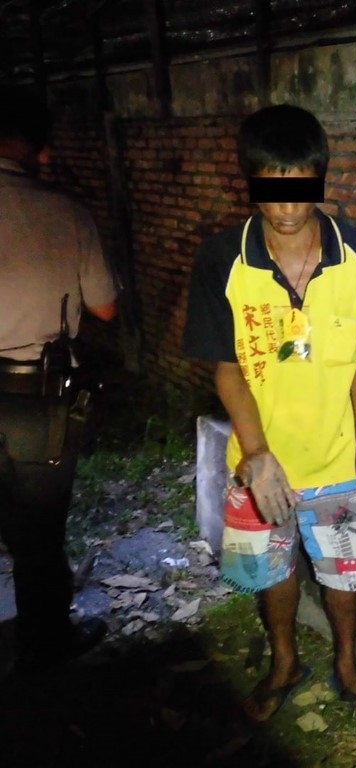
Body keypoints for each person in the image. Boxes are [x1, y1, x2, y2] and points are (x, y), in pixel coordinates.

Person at [183, 104, 356, 725]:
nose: (286, 206)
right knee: (272, 575)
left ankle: (347, 665)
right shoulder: (220, 258)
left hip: (338, 458)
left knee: (344, 576)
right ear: (249, 181)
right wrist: (257, 454)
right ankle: (284, 664)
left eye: (300, 186)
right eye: (270, 187)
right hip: (263, 464)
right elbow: (227, 367)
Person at [0, 86, 118, 677]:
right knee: (40, 528)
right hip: (36, 397)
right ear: (29, 144)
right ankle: (44, 643)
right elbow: (105, 308)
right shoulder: (65, 212)